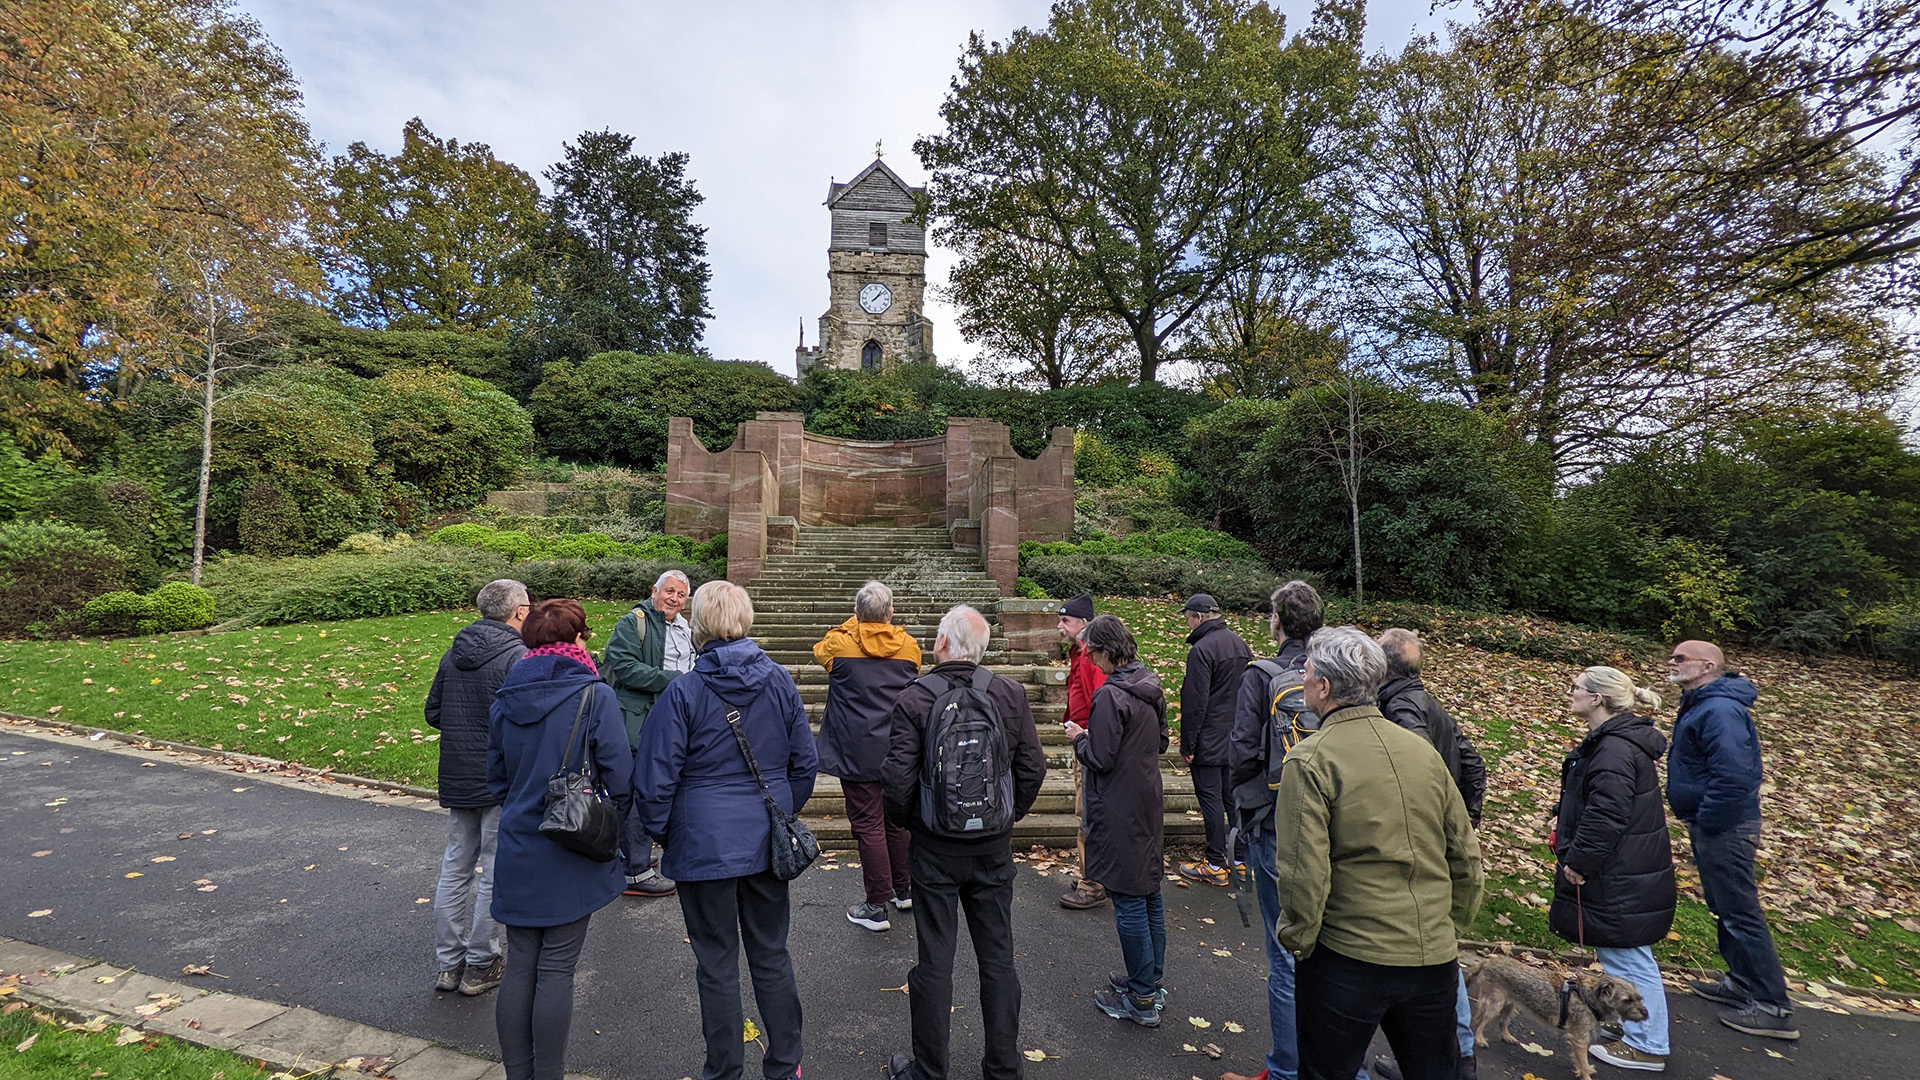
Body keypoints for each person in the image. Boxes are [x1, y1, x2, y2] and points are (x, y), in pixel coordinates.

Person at [1275, 627, 1482, 1080]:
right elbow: (1465, 852)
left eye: (1307, 672)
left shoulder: (1311, 760)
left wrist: (1298, 940)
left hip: (1349, 958)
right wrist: (1451, 921)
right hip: (1433, 956)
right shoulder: (1422, 753)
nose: (1302, 679)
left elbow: (1302, 874)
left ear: (1324, 687)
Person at [635, 580, 816, 1080]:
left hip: (704, 840)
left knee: (715, 961)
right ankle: (785, 1065)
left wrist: (668, 832)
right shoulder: (779, 681)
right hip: (762, 838)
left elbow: (654, 778)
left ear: (700, 624)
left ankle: (724, 1070)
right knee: (771, 952)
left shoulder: (684, 691)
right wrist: (778, 814)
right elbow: (805, 763)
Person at [881, 605, 1048, 1080]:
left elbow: (895, 780)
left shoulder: (915, 698)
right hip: (992, 848)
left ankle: (929, 1070)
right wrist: (1003, 818)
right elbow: (1033, 769)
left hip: (934, 849)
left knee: (934, 961)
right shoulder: (1009, 693)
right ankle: (1003, 1069)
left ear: (941, 644)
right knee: (998, 959)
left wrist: (912, 823)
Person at [487, 599, 632, 1080]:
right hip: (571, 845)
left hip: (518, 843)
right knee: (556, 969)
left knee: (520, 963)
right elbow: (621, 775)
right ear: (576, 640)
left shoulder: (505, 698)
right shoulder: (594, 695)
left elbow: (496, 778)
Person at [1366, 628, 1487, 1080]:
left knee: (1425, 950)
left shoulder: (1400, 707)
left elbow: (1414, 763)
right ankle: (1458, 1054)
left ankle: (1439, 1056)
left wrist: (1421, 826)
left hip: (1416, 843)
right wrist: (1464, 821)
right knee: (1437, 948)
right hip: (1436, 838)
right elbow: (1474, 764)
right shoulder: (1428, 701)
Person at [1666, 640, 1797, 1040]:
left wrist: (1708, 821)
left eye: (1681, 658)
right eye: (1672, 656)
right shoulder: (1702, 704)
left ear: (1707, 667)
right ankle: (1741, 982)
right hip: (1714, 824)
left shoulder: (1719, 709)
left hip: (1725, 827)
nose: (1671, 663)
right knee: (1725, 906)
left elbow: (1736, 775)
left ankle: (1773, 1007)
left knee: (1740, 911)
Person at [1221, 580, 1324, 1080]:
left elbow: (1240, 751)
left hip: (1274, 821)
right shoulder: (1339, 674)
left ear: (1277, 622)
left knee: (1283, 950)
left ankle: (1286, 1069)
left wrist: (1243, 797)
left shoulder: (1262, 675)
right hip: (1331, 823)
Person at [1555, 666, 1677, 1073]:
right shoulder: (1612, 742)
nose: (1570, 692)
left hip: (1619, 872)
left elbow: (1607, 814)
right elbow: (1596, 801)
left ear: (1597, 699)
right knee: (1623, 954)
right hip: (1624, 868)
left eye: (1577, 688)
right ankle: (1636, 1032)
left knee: (1629, 959)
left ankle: (1648, 1045)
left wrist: (1578, 860)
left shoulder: (1614, 748)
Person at [424, 579, 528, 997]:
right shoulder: (517, 656)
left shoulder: (454, 652)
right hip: (497, 776)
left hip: (456, 774)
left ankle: (449, 964)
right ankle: (482, 962)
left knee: (455, 866)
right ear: (518, 612)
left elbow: (434, 711)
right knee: (492, 869)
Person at [1065, 614, 1171, 1027]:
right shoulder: (1149, 683)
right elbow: (1161, 741)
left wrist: (1080, 738)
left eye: (1092, 650)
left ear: (1108, 650)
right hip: (1147, 797)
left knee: (1127, 898)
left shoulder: (1111, 694)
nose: (1089, 656)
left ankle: (1142, 997)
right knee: (1149, 893)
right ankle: (1149, 979)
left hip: (1119, 804)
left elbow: (1100, 758)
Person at [813, 579, 923, 932]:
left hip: (857, 749)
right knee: (896, 821)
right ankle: (904, 889)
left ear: (857, 614)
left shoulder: (840, 644)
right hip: (897, 748)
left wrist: (855, 622)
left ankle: (876, 905)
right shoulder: (909, 647)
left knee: (868, 825)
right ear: (891, 613)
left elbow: (820, 650)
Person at [602, 569, 694, 898]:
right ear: (654, 590)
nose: (674, 598)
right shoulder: (635, 622)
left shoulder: (685, 628)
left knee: (645, 793)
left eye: (681, 595)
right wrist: (675, 680)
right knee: (641, 795)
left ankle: (631, 857)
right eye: (669, 591)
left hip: (670, 719)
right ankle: (635, 872)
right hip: (638, 722)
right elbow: (624, 667)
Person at [1177, 593, 1252, 886]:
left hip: (1208, 739)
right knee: (1232, 799)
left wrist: (1188, 744)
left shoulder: (1201, 650)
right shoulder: (1240, 644)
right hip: (1235, 737)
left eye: (1188, 619)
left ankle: (1215, 863)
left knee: (1210, 800)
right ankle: (1241, 860)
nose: (1188, 624)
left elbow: (1195, 703)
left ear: (1198, 617)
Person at [1056, 592, 1111, 910]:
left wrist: (1086, 737)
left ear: (1084, 624)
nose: (1060, 626)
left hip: (1090, 747)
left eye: (1066, 621)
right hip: (1083, 743)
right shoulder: (1080, 655)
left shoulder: (1092, 660)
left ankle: (1092, 884)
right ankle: (1094, 874)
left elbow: (1101, 703)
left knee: (1089, 814)